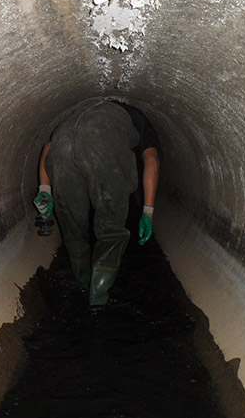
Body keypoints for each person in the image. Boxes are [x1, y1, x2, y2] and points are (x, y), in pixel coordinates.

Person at [33, 98, 161, 306]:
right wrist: (147, 210)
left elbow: (50, 146)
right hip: (102, 143)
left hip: (62, 144)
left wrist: (45, 189)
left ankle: (81, 286)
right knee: (111, 229)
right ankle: (97, 303)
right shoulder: (139, 119)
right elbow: (152, 160)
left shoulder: (75, 114)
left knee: (73, 226)